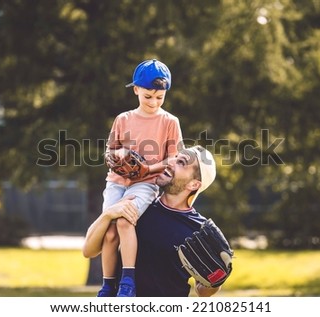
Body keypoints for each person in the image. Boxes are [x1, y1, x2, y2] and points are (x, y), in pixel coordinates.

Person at [83, 145, 221, 297]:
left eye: (181, 162)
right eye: (175, 157)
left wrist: (216, 282)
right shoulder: (138, 206)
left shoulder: (199, 230)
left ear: (194, 184)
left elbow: (203, 291)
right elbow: (89, 250)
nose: (170, 162)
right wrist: (108, 214)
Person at [98, 59, 184, 297]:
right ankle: (107, 284)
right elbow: (110, 150)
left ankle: (128, 282)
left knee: (125, 220)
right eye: (148, 96)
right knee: (110, 231)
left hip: (146, 184)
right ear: (136, 89)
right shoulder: (123, 119)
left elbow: (175, 159)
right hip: (116, 182)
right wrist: (115, 158)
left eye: (160, 97)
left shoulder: (170, 122)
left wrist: (147, 170)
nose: (154, 102)